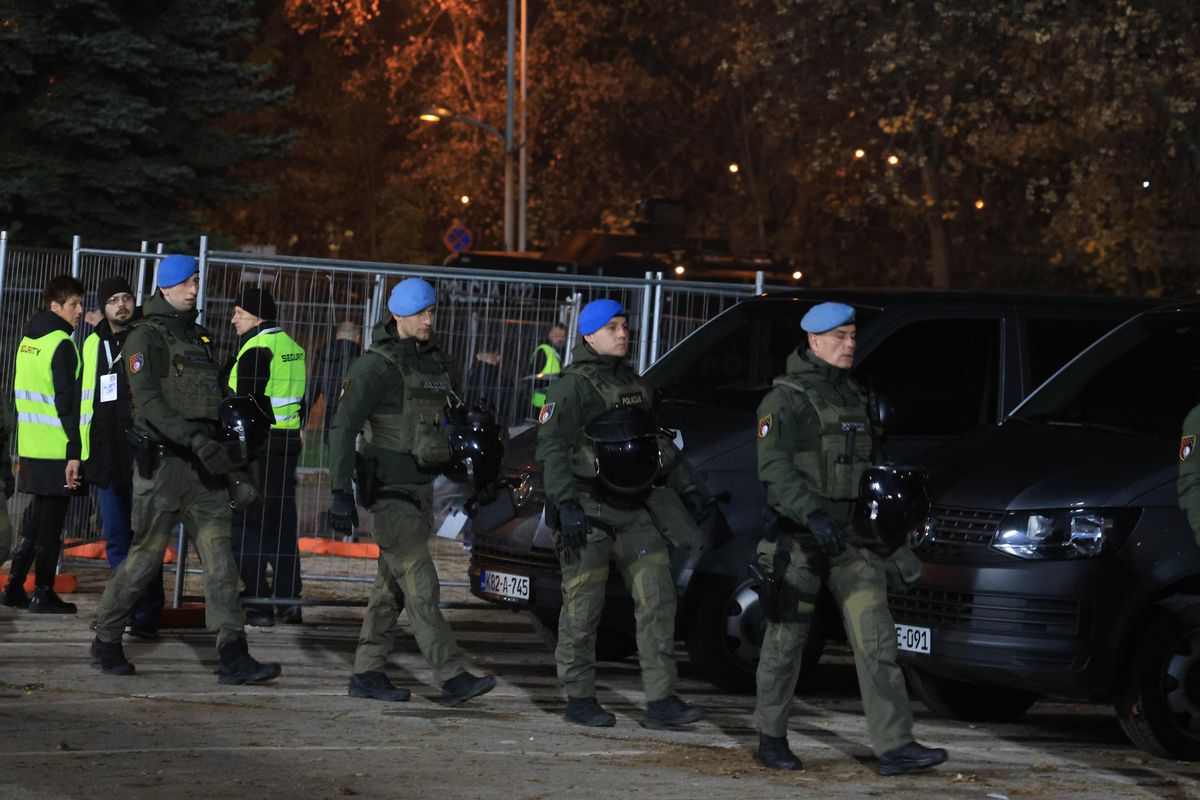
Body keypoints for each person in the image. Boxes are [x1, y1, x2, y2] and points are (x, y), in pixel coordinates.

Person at [751, 301, 947, 775]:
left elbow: (870, 464)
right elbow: (773, 471)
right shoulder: (785, 400)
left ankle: (895, 746)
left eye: (853, 335)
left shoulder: (854, 395)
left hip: (853, 537)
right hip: (802, 537)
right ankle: (770, 737)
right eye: (840, 336)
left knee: (876, 638)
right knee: (785, 642)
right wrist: (812, 514)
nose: (850, 344)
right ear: (814, 340)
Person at [89, 254, 281, 684]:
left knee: (219, 562)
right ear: (166, 288)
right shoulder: (145, 337)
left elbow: (214, 402)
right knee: (144, 559)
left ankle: (233, 654)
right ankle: (105, 638)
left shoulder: (199, 339)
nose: (195, 289)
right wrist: (194, 439)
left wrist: (233, 451)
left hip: (206, 471)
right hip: (164, 469)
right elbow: (150, 403)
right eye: (188, 283)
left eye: (198, 281)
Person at [535, 298, 709, 729]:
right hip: (588, 509)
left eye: (625, 326)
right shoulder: (570, 388)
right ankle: (579, 697)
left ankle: (662, 699)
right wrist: (565, 503)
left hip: (634, 509)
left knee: (658, 601)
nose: (622, 333)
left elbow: (656, 444)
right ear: (589, 335)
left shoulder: (636, 386)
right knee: (582, 607)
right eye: (612, 327)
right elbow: (552, 449)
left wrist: (690, 490)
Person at [327, 277, 496, 705]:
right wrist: (339, 492)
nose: (429, 319)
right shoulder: (375, 366)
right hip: (389, 492)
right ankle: (452, 673)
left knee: (390, 591)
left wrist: (474, 472)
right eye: (421, 312)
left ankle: (367, 673)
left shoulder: (439, 363)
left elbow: (452, 423)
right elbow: (343, 428)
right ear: (397, 314)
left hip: (423, 489)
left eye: (432, 311)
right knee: (422, 583)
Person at [81, 276, 163, 637]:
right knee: (116, 539)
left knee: (145, 538)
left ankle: (147, 612)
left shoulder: (145, 338)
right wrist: (79, 454)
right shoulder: (92, 343)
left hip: (142, 457)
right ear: (103, 307)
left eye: (126, 297)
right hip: (106, 457)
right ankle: (125, 607)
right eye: (113, 299)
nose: (121, 305)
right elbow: (85, 402)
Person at [0, 275, 86, 613]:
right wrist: (75, 452)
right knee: (51, 527)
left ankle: (14, 586)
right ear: (55, 306)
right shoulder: (61, 344)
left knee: (35, 522)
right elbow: (67, 405)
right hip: (57, 450)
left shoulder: (28, 342)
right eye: (74, 304)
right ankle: (43, 593)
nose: (80, 311)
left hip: (32, 447)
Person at [227, 288, 305, 626]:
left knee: (249, 526)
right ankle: (289, 600)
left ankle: (257, 603)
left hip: (260, 450)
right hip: (287, 445)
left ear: (257, 316)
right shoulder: (292, 348)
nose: (233, 319)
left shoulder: (256, 350)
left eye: (238, 313)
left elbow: (246, 409)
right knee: (283, 525)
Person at [307, 321, 362, 436]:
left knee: (330, 441)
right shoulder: (360, 355)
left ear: (337, 336)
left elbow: (313, 386)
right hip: (352, 409)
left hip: (330, 407)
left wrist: (303, 416)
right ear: (357, 337)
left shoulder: (324, 353)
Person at [529, 322, 565, 412]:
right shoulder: (544, 350)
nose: (561, 339)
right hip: (542, 402)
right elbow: (534, 376)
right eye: (557, 335)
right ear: (549, 334)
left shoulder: (555, 352)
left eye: (563, 336)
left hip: (549, 401)